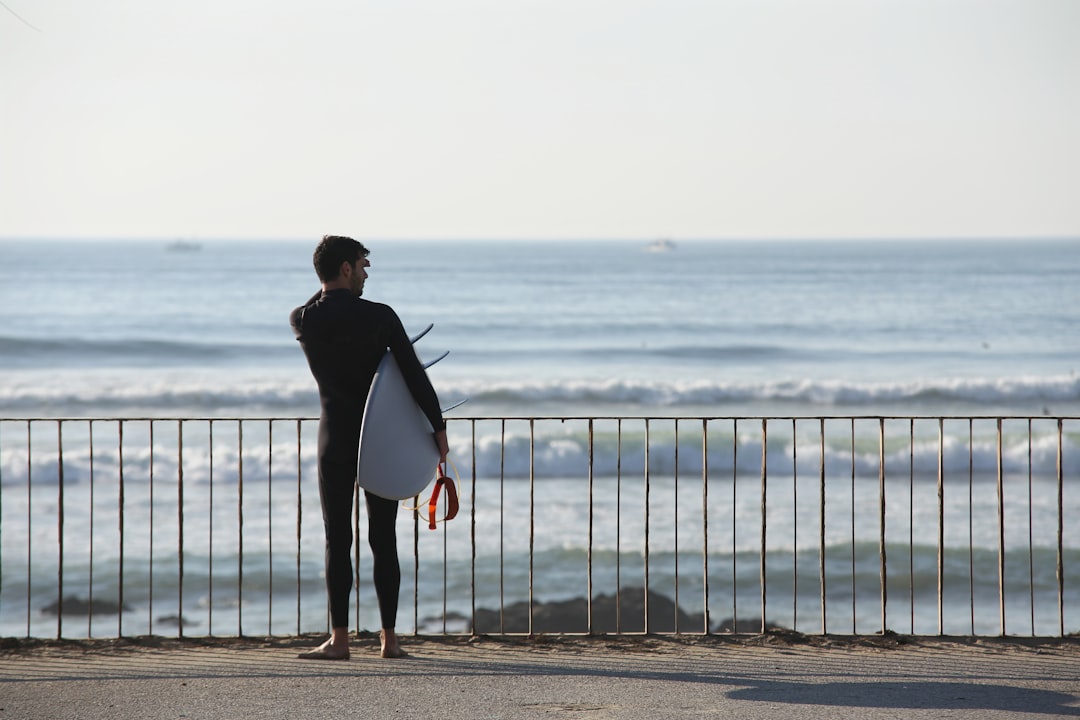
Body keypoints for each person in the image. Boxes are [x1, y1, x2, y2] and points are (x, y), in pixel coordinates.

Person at [289, 235, 449, 660]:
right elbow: (415, 376)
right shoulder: (379, 316)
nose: (366, 273)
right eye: (361, 265)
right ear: (345, 268)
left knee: (336, 539)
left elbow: (315, 300)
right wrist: (438, 428)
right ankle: (389, 641)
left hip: (334, 438)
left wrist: (326, 280)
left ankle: (339, 641)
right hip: (379, 437)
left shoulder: (304, 318)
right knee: (384, 537)